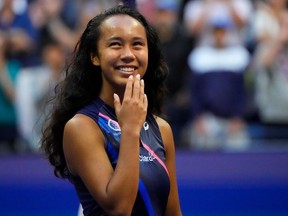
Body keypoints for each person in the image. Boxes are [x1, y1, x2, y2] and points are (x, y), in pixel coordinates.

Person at [40, 4, 182, 216]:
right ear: (94, 56)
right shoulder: (81, 127)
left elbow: (172, 212)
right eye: (115, 44)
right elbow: (119, 208)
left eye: (137, 44)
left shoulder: (162, 129)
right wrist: (131, 130)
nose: (128, 54)